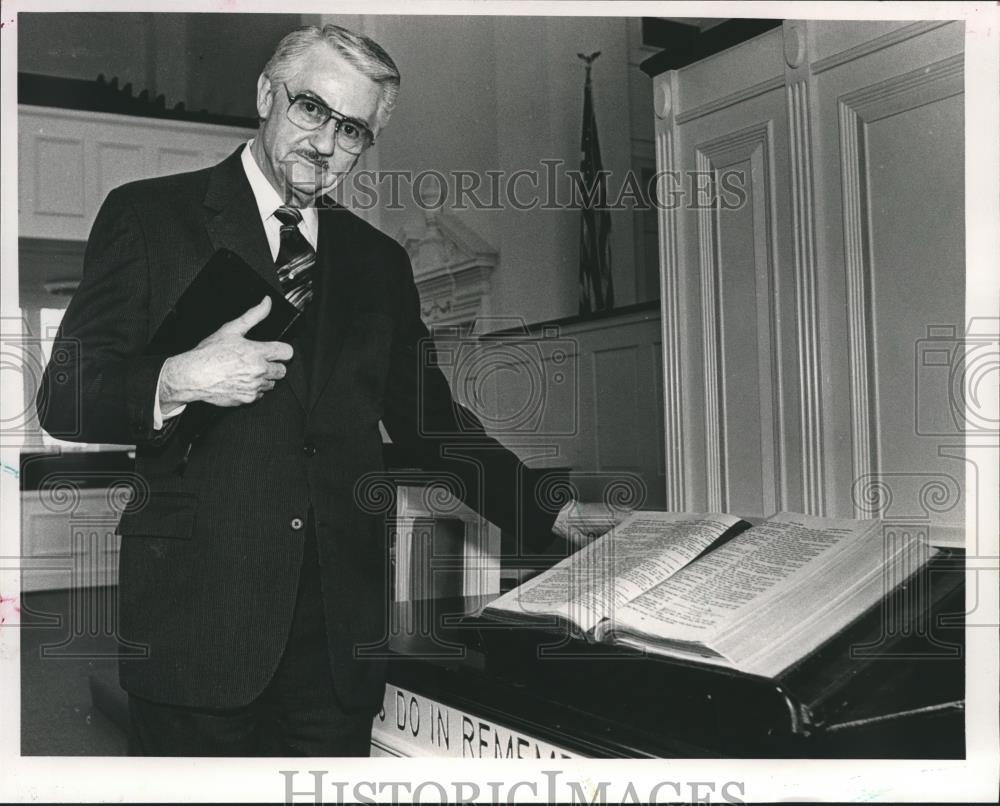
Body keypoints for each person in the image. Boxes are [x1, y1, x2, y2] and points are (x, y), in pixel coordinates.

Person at [36, 23, 622, 757]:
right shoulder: (149, 217)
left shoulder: (377, 263)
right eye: (312, 109)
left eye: (353, 130)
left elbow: (433, 428)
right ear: (265, 95)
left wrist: (556, 510)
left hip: (336, 645)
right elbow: (65, 395)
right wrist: (180, 377)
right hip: (199, 629)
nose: (327, 144)